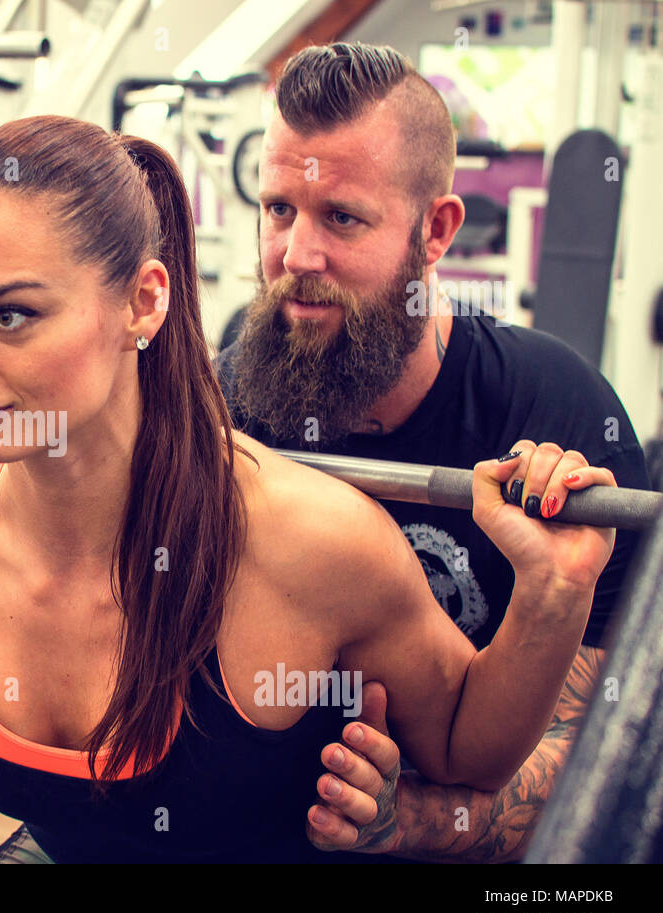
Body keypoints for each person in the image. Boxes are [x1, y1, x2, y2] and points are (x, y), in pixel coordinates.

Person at [0, 111, 617, 863]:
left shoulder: (312, 539)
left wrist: (554, 588)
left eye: (10, 316)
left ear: (143, 302)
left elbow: (465, 750)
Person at [213, 42, 652, 861]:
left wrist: (408, 820)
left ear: (437, 230)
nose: (297, 258)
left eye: (342, 217)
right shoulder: (223, 405)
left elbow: (599, 751)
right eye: (279, 210)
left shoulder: (559, 411)